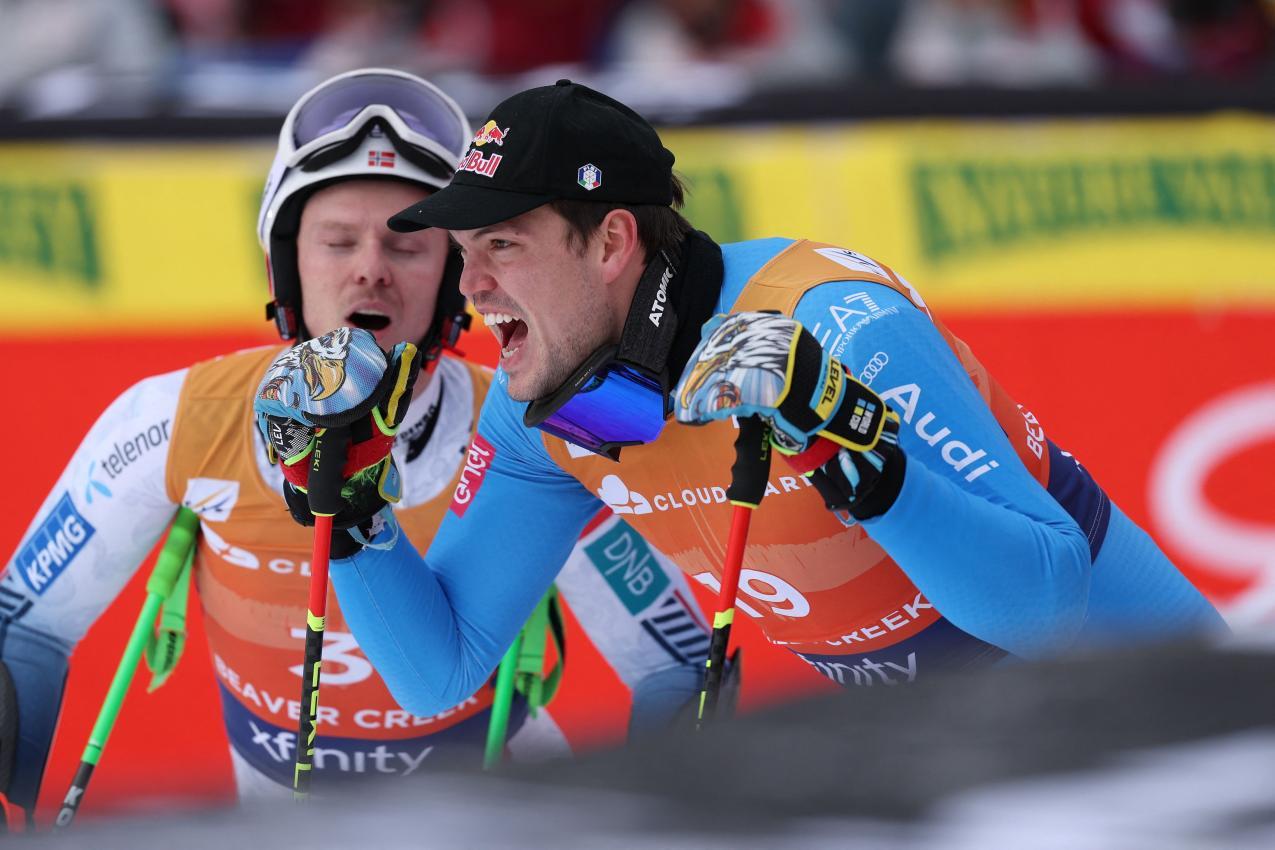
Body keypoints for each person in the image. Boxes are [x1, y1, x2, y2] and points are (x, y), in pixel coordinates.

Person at [256, 79, 1226, 717]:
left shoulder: (835, 323)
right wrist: (349, 511)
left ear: (610, 245)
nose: (471, 292)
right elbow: (440, 669)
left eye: (502, 248)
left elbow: (1048, 605)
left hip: (1145, 707)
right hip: (940, 746)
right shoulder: (561, 408)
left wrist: (851, 444)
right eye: (465, 258)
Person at [0, 70, 708, 820]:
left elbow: (678, 665)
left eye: (407, 248)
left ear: (452, 282)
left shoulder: (530, 435)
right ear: (287, 268)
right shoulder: (180, 421)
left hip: (502, 818)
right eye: (337, 241)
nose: (369, 266)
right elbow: (25, 628)